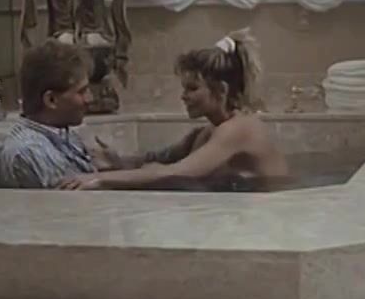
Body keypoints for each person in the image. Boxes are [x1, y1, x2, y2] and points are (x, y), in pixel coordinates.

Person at [59, 28, 288, 191]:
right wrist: (117, 162)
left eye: (192, 88)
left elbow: (177, 171)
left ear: (221, 90)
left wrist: (99, 180)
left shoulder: (240, 129)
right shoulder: (207, 132)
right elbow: (159, 160)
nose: (183, 96)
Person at [0, 41, 96, 189]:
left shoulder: (64, 135)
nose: (90, 99)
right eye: (81, 92)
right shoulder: (29, 152)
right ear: (51, 100)